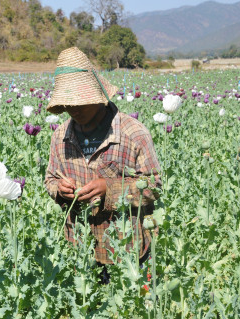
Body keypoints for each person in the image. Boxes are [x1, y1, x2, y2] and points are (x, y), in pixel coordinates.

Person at [44, 47, 161, 283]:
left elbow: (153, 188)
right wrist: (60, 189)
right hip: (80, 250)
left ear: (98, 95)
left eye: (80, 101)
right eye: (68, 103)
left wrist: (110, 188)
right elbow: (50, 180)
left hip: (126, 252)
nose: (73, 109)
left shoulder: (133, 134)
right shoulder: (59, 137)